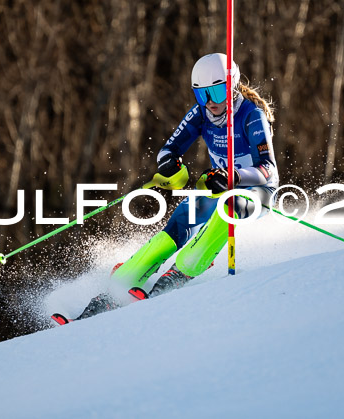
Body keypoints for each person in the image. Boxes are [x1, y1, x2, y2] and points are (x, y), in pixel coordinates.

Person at [76, 53, 279, 320]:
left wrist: (234, 177)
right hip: (218, 185)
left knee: (230, 207)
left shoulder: (251, 116)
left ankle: (182, 271)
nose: (210, 102)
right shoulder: (201, 113)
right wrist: (169, 163)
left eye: (217, 93)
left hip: (256, 192)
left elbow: (268, 169)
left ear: (231, 86)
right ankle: (120, 283)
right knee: (180, 222)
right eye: (201, 95)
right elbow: (168, 149)